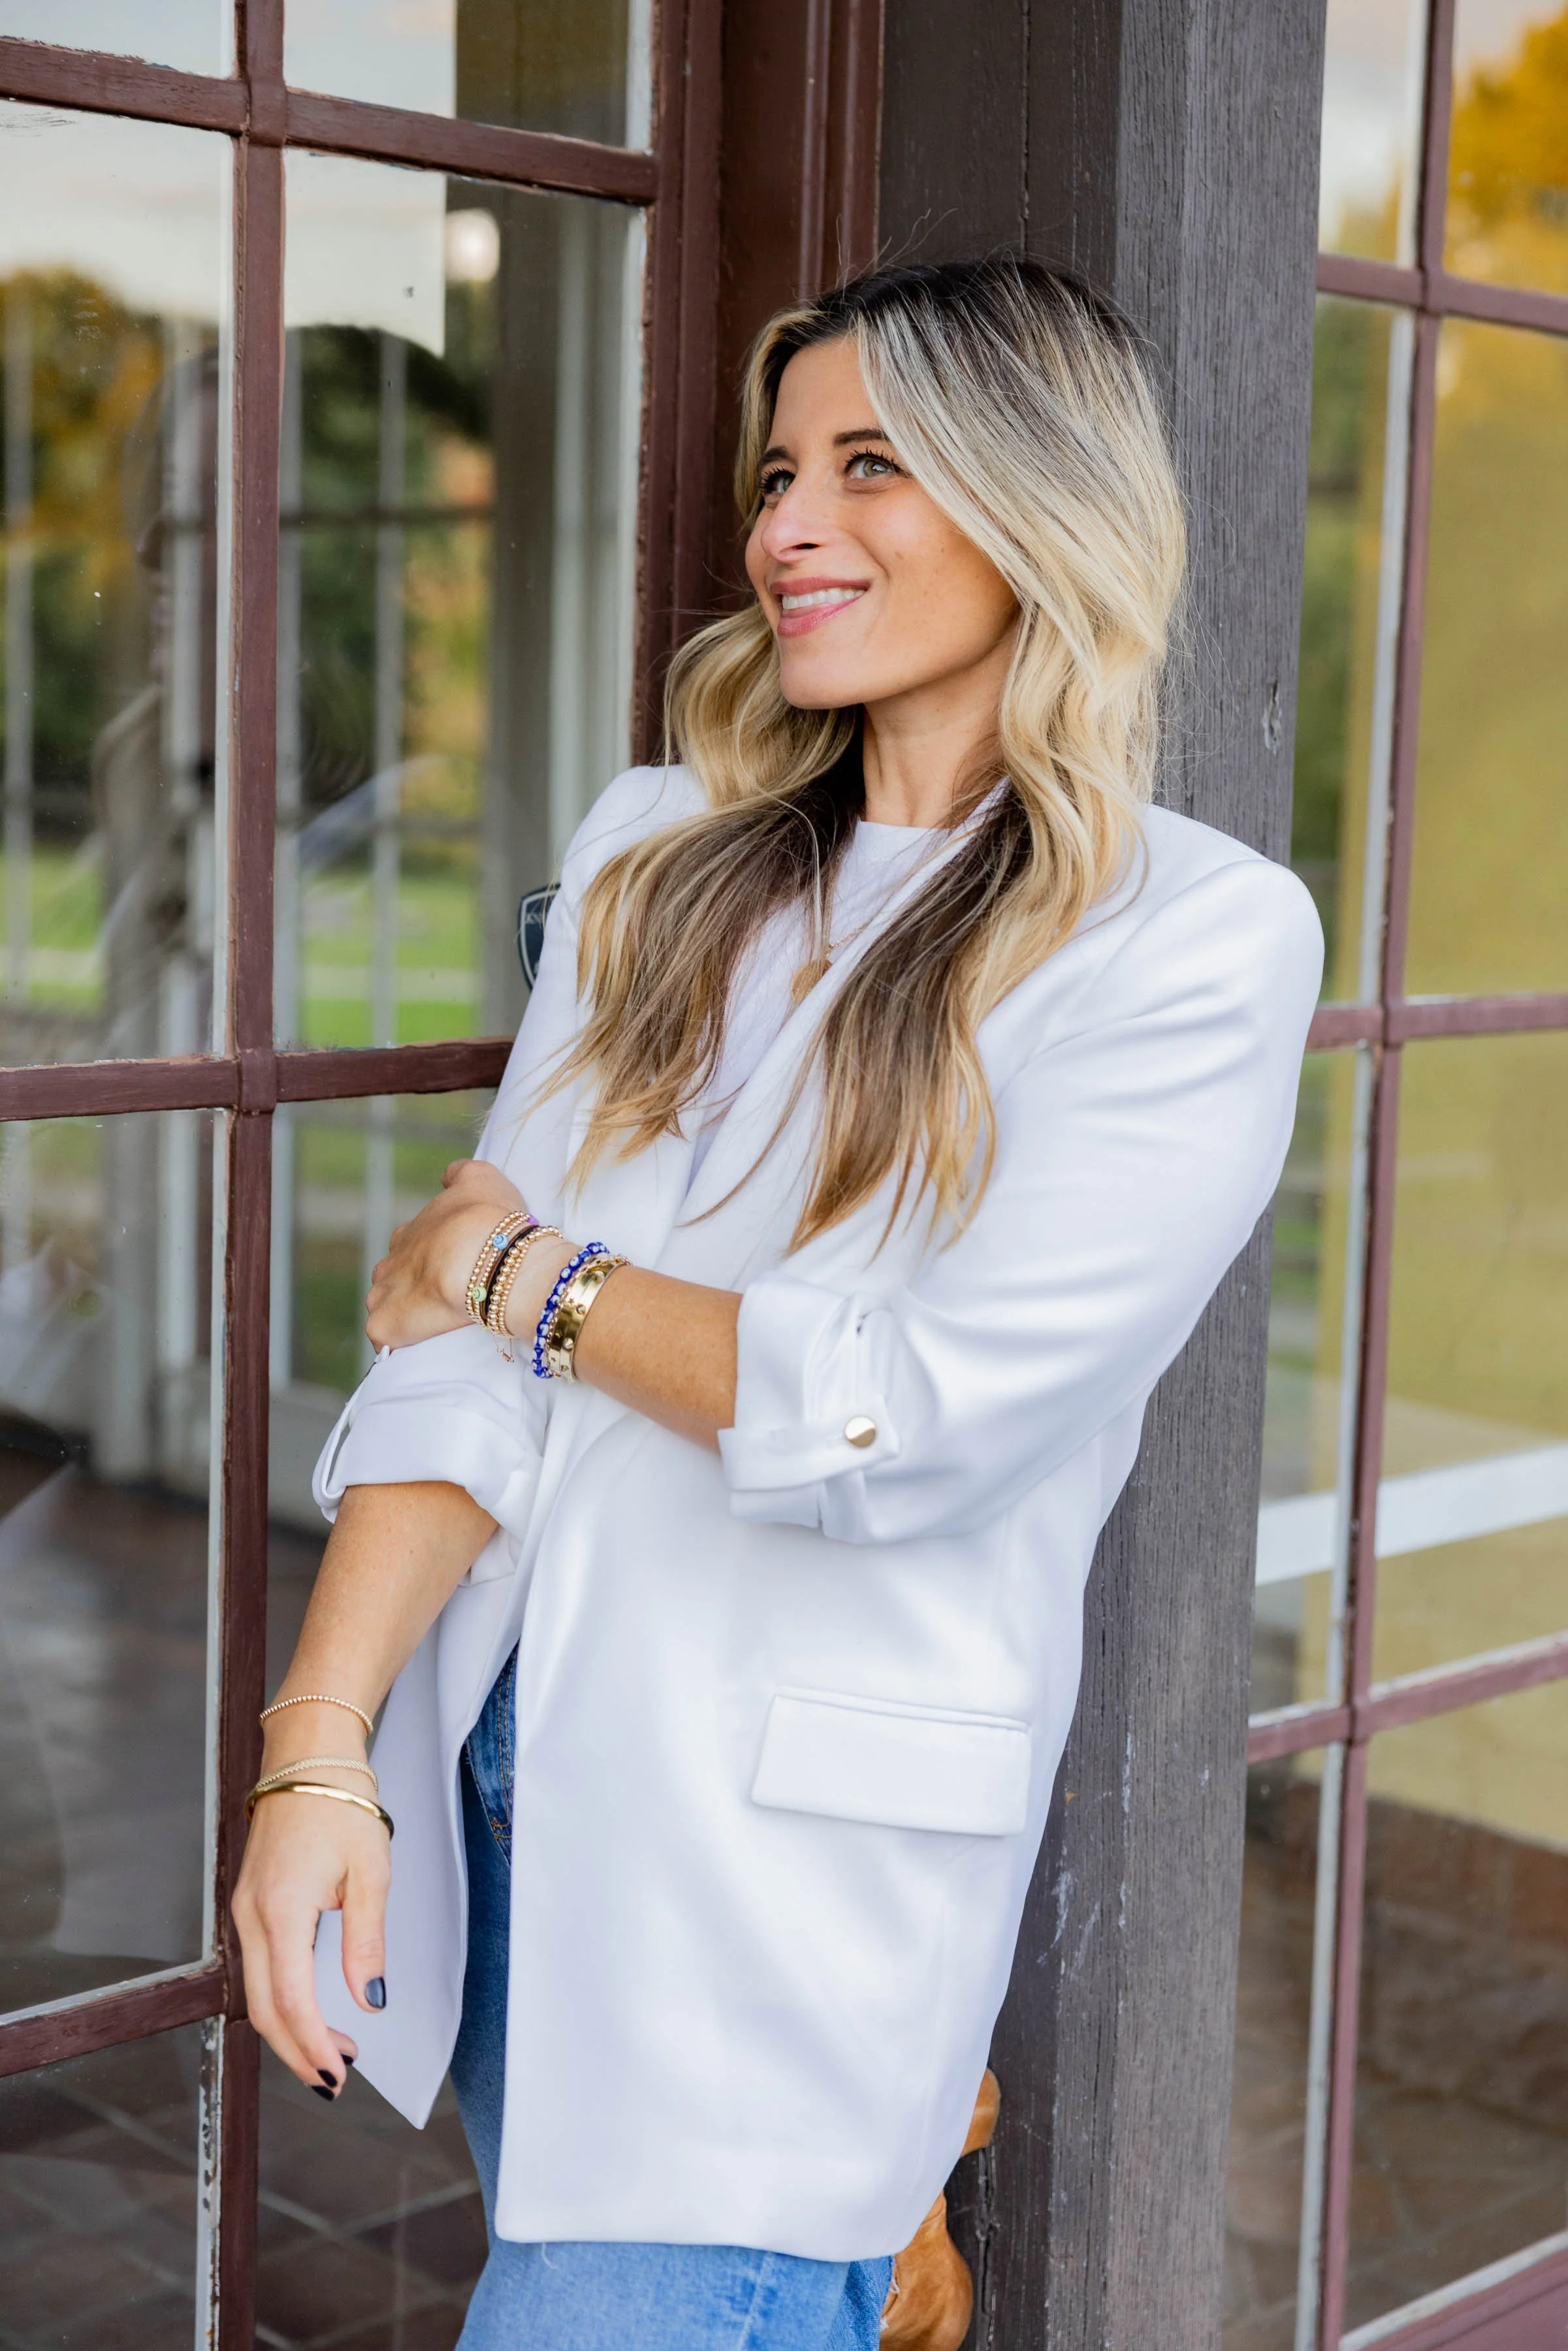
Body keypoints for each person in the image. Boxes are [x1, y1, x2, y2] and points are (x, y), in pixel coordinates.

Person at [233, 255, 1322, 2351]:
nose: (787, 528)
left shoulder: (1191, 939)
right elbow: (459, 1370)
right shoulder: (666, 853)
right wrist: (319, 1756)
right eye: (779, 471)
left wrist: (532, 1270)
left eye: (872, 468)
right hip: (500, 1780)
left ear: (1042, 505)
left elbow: (896, 1421)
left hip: (779, 1893)